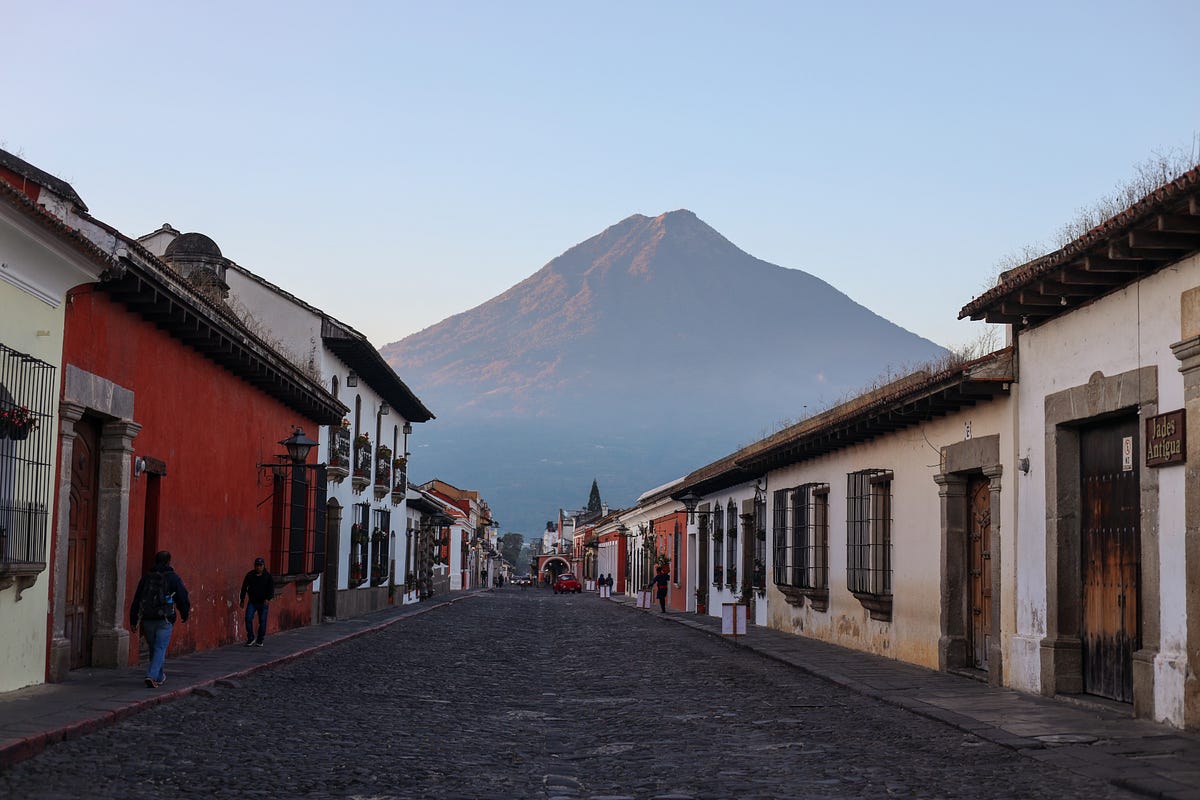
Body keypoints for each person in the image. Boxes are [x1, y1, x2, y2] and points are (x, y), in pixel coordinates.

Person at [130, 550, 191, 688]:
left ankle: (158, 676)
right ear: (169, 561)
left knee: (154, 648)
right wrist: (185, 613)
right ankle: (151, 675)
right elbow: (182, 596)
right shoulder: (173, 578)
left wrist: (133, 619)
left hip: (147, 618)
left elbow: (137, 598)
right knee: (160, 647)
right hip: (165, 618)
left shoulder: (146, 577)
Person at [240, 556, 275, 646]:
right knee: (248, 619)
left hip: (263, 602)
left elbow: (271, 589)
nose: (258, 567)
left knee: (262, 621)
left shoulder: (268, 576)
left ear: (263, 566)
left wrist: (268, 598)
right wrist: (242, 599)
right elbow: (244, 587)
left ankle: (260, 640)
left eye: (260, 565)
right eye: (257, 565)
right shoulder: (250, 575)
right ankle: (251, 638)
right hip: (252, 601)